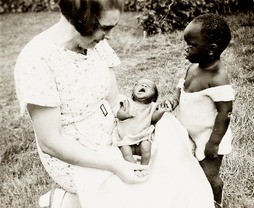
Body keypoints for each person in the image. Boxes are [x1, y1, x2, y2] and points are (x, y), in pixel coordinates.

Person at [14, 0, 215, 207]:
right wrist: (115, 165)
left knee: (172, 151)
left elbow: (114, 101)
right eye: (105, 28)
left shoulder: (96, 43)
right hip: (76, 153)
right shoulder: (37, 60)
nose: (109, 36)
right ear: (80, 20)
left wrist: (141, 119)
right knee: (145, 194)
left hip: (114, 131)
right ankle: (66, 201)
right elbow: (50, 142)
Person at [163, 14, 235, 207]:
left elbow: (225, 112)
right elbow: (182, 85)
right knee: (188, 166)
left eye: (191, 45)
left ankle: (215, 200)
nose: (186, 48)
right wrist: (174, 99)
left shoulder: (218, 78)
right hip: (189, 130)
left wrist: (213, 143)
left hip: (208, 135)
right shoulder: (193, 67)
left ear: (211, 49)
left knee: (208, 174)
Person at [114, 78, 168, 174]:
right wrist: (126, 115)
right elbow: (119, 115)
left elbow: (153, 120)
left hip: (142, 135)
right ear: (133, 90)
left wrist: (161, 112)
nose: (143, 86)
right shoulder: (127, 102)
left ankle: (144, 167)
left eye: (148, 86)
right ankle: (134, 168)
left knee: (146, 146)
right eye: (139, 84)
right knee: (126, 152)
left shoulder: (152, 106)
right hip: (126, 136)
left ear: (154, 96)